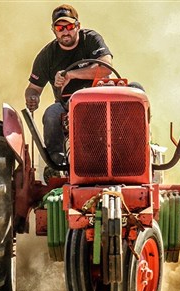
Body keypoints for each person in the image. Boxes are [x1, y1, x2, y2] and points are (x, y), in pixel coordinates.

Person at [24, 4, 113, 170]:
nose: (65, 31)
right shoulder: (47, 56)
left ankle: (137, 153)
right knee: (51, 114)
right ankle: (57, 167)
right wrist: (32, 97)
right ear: (53, 30)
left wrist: (70, 74)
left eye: (70, 26)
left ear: (78, 26)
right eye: (60, 27)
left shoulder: (92, 40)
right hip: (67, 106)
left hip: (101, 101)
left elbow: (106, 67)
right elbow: (33, 88)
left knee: (136, 91)